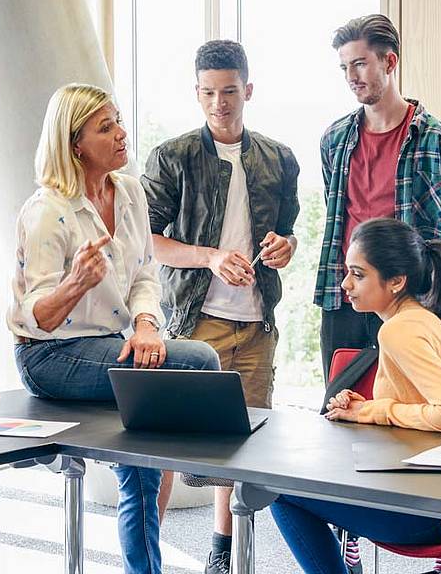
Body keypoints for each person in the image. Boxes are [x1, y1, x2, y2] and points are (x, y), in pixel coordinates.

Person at [9, 83, 221, 574]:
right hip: (52, 354)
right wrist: (76, 283)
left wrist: (147, 326)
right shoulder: (47, 212)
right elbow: (37, 315)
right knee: (199, 360)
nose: (122, 133)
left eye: (119, 120)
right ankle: (201, 462)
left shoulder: (128, 192)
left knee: (141, 459)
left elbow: (146, 274)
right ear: (75, 143)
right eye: (106, 127)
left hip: (116, 342)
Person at [315, 13, 441, 573]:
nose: (352, 75)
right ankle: (351, 526)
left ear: (389, 62)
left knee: (421, 416)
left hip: (410, 302)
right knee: (343, 415)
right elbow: (336, 218)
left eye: (360, 63)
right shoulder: (335, 138)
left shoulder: (437, 141)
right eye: (344, 67)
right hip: (347, 297)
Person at [142, 40, 300, 574]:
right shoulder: (173, 156)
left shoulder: (278, 158)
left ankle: (222, 549)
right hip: (193, 323)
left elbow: (289, 232)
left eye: (229, 92)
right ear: (196, 93)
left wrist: (286, 246)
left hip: (256, 323)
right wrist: (208, 257)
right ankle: (149, 554)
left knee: (243, 446)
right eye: (208, 93)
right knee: (169, 446)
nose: (219, 104)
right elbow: (145, 239)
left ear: (248, 90)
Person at [273, 218, 441, 574]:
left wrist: (377, 411)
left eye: (358, 275)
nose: (346, 284)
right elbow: (421, 408)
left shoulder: (400, 330)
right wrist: (366, 409)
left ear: (396, 281)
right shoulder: (421, 320)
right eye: (348, 272)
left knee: (280, 489)